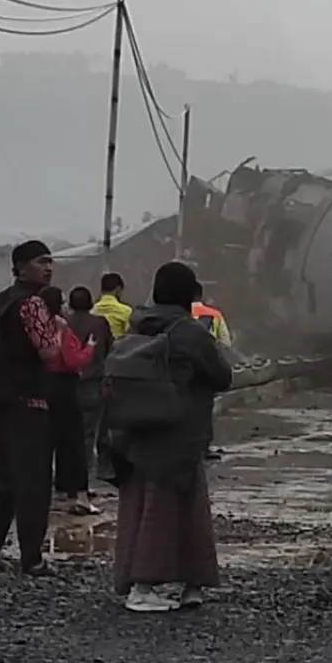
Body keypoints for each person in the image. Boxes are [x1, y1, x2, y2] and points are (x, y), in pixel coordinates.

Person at [105, 260, 233, 613]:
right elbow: (223, 376)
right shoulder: (189, 333)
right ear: (191, 296)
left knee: (139, 509)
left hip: (134, 430)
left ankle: (165, 584)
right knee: (174, 510)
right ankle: (148, 588)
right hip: (179, 431)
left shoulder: (136, 324)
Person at [0, 240, 62, 575]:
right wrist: (59, 328)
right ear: (20, 266)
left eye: (50, 261)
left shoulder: (0, 301)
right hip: (29, 402)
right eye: (40, 261)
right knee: (34, 480)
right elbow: (50, 352)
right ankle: (32, 558)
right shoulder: (33, 304)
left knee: (4, 479)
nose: (48, 267)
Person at [40, 285, 96, 516]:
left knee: (44, 441)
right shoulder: (61, 327)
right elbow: (73, 360)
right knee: (73, 441)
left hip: (40, 386)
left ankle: (45, 492)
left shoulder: (35, 327)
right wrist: (90, 348)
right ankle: (80, 495)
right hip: (64, 386)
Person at [66, 286, 114, 490]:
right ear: (91, 303)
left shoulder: (63, 323)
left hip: (67, 384)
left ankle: (67, 476)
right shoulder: (100, 323)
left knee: (68, 432)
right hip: (93, 384)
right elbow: (110, 349)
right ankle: (86, 478)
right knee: (91, 433)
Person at [94, 272, 132, 339]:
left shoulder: (92, 310)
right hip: (118, 347)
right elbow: (129, 336)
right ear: (118, 290)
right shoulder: (125, 311)